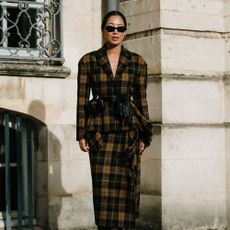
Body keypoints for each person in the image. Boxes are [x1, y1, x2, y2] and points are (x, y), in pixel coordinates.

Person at [76, 10, 152, 230]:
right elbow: (82, 99)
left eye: (120, 28)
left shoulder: (138, 62)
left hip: (129, 134)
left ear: (125, 32)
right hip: (99, 134)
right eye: (110, 28)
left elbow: (141, 101)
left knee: (127, 190)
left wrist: (144, 136)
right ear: (103, 32)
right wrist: (82, 133)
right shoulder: (88, 61)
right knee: (103, 193)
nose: (115, 32)